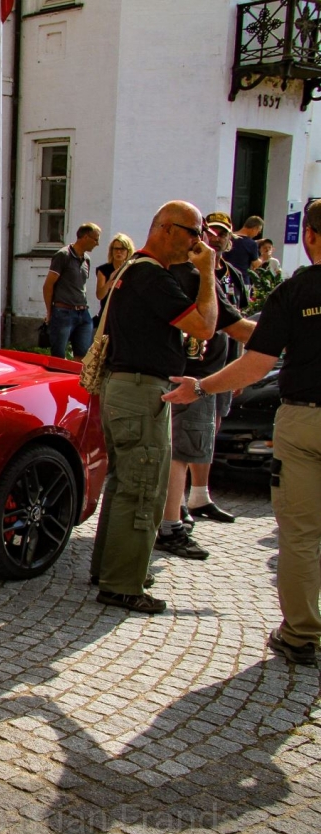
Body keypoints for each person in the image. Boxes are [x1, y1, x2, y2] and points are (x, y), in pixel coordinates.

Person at [164, 199, 321, 667]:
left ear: (310, 236)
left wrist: (200, 386)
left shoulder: (296, 291)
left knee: (301, 535)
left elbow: (256, 364)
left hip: (305, 419)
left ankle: (301, 635)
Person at [89, 201, 218, 615]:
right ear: (166, 229)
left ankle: (110, 570)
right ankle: (121, 584)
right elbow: (205, 326)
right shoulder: (152, 275)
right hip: (141, 391)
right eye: (194, 232)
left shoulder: (133, 270)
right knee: (142, 486)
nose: (198, 242)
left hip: (124, 388)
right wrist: (208, 273)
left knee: (124, 483)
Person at [154, 212, 256, 561]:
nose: (209, 240)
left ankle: (184, 508)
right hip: (192, 377)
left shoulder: (168, 270)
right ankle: (171, 524)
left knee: (184, 448)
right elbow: (228, 326)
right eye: (202, 234)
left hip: (195, 374)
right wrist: (287, 337)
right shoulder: (192, 275)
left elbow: (235, 323)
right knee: (181, 452)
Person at [43, 223, 101, 359]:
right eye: (95, 239)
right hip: (63, 312)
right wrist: (50, 312)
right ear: (85, 237)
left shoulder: (86, 259)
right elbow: (48, 286)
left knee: (83, 357)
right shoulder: (63, 255)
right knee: (58, 357)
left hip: (83, 313)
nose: (97, 244)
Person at [94, 232, 135, 320]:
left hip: (126, 314)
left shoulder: (132, 270)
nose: (118, 252)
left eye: (122, 249)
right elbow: (100, 295)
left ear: (128, 251)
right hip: (107, 314)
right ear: (111, 251)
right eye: (116, 249)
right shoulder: (104, 270)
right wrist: (110, 281)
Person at [224, 215, 264, 280]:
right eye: (258, 231)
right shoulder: (251, 244)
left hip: (226, 277)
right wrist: (263, 256)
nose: (257, 234)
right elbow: (255, 264)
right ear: (254, 228)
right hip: (241, 279)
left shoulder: (229, 237)